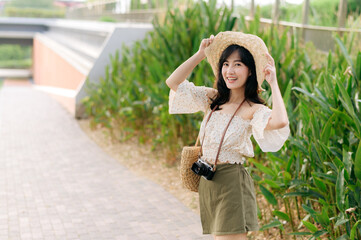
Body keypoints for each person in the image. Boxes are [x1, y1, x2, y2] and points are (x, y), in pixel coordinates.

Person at [166, 31, 290, 240]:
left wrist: (274, 83)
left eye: (238, 64)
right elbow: (173, 82)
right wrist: (200, 55)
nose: (229, 71)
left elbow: (280, 121)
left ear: (250, 71)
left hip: (231, 183)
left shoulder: (252, 108)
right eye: (225, 64)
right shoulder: (213, 99)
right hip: (208, 180)